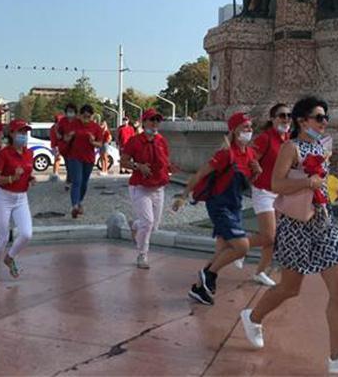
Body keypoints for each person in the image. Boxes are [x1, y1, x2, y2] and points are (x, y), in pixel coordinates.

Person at [238, 96, 338, 375]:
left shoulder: (322, 147)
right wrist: (307, 182)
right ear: (302, 120)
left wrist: (335, 187)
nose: (325, 122)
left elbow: (321, 183)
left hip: (324, 222)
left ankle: (337, 356)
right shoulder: (291, 147)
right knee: (290, 287)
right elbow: (277, 184)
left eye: (325, 118)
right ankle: (253, 316)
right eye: (319, 117)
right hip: (297, 226)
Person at [172, 112, 262, 306]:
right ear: (234, 130)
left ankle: (198, 289)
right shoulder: (225, 154)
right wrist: (183, 195)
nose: (249, 130)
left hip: (235, 206)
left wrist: (256, 173)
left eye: (250, 127)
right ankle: (208, 274)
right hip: (220, 206)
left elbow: (244, 184)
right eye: (244, 126)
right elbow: (200, 173)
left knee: (222, 251)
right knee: (242, 247)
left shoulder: (250, 154)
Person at [246, 103, 292, 287]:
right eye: (282, 115)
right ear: (272, 118)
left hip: (279, 193)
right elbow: (249, 158)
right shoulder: (265, 138)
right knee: (269, 236)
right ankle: (236, 246)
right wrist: (254, 167)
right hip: (263, 191)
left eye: (289, 115)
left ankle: (260, 272)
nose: (286, 119)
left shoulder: (288, 139)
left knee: (274, 237)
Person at [120, 109, 170, 269]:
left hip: (158, 188)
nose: (155, 124)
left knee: (154, 226)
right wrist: (138, 166)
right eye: (151, 120)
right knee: (147, 223)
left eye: (157, 121)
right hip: (140, 187)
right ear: (144, 122)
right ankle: (142, 254)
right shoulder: (135, 141)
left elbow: (165, 160)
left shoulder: (162, 140)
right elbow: (123, 161)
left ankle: (135, 225)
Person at [0, 119, 35, 282]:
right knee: (3, 237)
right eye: (20, 132)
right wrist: (12, 178)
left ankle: (9, 257)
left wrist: (30, 179)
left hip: (21, 198)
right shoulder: (4, 153)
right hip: (3, 198)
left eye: (25, 132)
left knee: (27, 234)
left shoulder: (29, 153)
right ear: (12, 134)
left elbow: (28, 172)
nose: (23, 136)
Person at [62, 104, 103, 218]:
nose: (86, 119)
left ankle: (79, 201)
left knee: (84, 183)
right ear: (80, 115)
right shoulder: (74, 124)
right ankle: (74, 206)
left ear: (92, 116)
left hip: (89, 158)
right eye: (84, 116)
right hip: (75, 157)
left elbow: (100, 144)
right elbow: (65, 138)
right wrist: (70, 136)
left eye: (88, 117)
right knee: (77, 181)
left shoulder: (96, 127)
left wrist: (93, 142)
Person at [56, 103, 80, 192]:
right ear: (66, 112)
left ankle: (72, 182)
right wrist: (63, 137)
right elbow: (58, 134)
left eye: (72, 111)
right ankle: (69, 181)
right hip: (66, 147)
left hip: (77, 147)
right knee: (69, 166)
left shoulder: (78, 121)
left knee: (75, 166)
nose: (70, 113)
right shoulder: (62, 121)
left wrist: (74, 134)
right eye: (69, 111)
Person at [49, 113, 64, 179]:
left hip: (54, 145)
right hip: (57, 145)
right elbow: (59, 137)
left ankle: (55, 173)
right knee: (57, 159)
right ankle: (55, 174)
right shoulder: (57, 127)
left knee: (57, 159)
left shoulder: (53, 126)